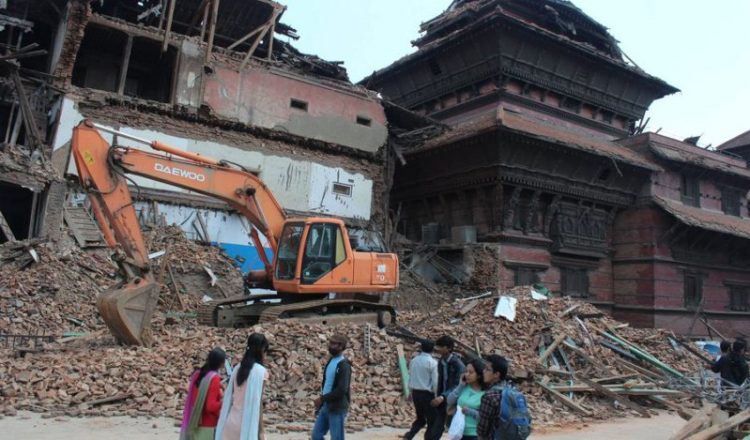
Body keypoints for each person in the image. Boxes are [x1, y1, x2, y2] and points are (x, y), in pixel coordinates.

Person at [216, 333, 269, 440]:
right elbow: (258, 404)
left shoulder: (237, 369)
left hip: (231, 421)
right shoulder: (261, 372)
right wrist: (261, 431)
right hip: (247, 424)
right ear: (261, 350)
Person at [180, 348, 226, 440]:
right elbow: (210, 406)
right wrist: (223, 401)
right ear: (221, 363)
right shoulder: (214, 378)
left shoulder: (197, 374)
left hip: (194, 421)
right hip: (208, 424)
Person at [312, 334, 352, 440]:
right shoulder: (331, 361)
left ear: (341, 346)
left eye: (333, 344)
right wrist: (323, 401)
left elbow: (342, 389)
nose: (330, 346)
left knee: (336, 438)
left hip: (337, 408)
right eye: (330, 343)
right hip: (326, 406)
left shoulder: (344, 365)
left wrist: (322, 399)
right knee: (316, 436)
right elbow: (327, 383)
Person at [403, 340, 439, 440]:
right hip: (427, 395)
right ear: (433, 350)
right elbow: (435, 382)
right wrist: (436, 396)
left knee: (420, 419)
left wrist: (410, 392)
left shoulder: (414, 360)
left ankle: (409, 436)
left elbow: (410, 376)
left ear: (421, 348)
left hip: (416, 393)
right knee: (432, 420)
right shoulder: (433, 363)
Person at [431, 335, 465, 438]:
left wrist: (442, 397)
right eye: (438, 346)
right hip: (443, 397)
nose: (438, 349)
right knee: (437, 426)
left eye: (441, 346)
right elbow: (441, 381)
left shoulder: (457, 364)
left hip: (454, 399)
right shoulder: (441, 362)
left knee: (453, 426)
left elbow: (457, 385)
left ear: (449, 348)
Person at [447, 358, 486, 440]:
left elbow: (485, 417)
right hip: (457, 431)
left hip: (474, 434)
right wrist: (460, 386)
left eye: (471, 372)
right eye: (466, 371)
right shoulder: (464, 387)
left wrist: (470, 411)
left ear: (479, 375)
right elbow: (449, 400)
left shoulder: (485, 394)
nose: (467, 374)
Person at [476, 355, 509, 440]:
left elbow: (482, 428)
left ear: (496, 374)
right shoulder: (511, 391)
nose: (483, 371)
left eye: (487, 369)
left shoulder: (489, 397)